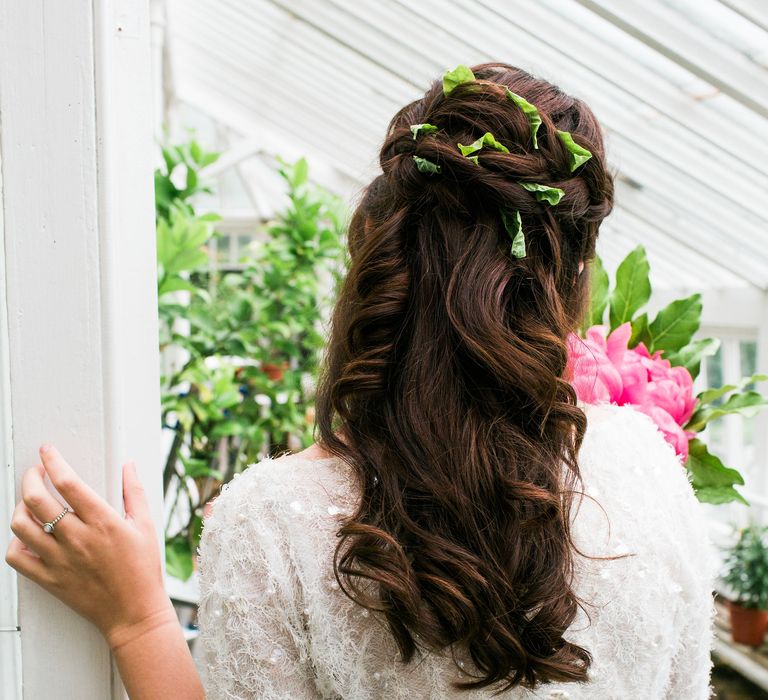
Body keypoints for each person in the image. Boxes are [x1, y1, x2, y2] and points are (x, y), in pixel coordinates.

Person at [5, 62, 718, 699]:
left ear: (377, 262)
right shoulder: (649, 471)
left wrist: (138, 621)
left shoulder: (278, 525)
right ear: (568, 280)